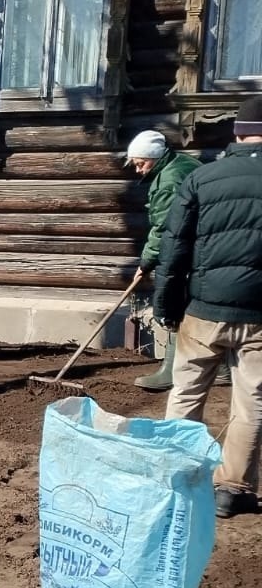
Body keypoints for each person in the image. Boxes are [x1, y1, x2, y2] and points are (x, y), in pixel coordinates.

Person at [154, 94, 262, 518]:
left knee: (186, 393)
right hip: (259, 316)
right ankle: (231, 490)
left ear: (237, 134)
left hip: (203, 309)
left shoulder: (202, 179)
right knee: (252, 403)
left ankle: (176, 476)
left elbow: (173, 246)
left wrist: (167, 304)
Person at [123, 129, 201, 391]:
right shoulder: (184, 164)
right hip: (202, 249)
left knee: (174, 301)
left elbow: (164, 227)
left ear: (154, 157)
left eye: (140, 163)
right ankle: (221, 368)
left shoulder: (169, 180)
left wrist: (146, 262)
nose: (138, 170)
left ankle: (171, 370)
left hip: (186, 252)